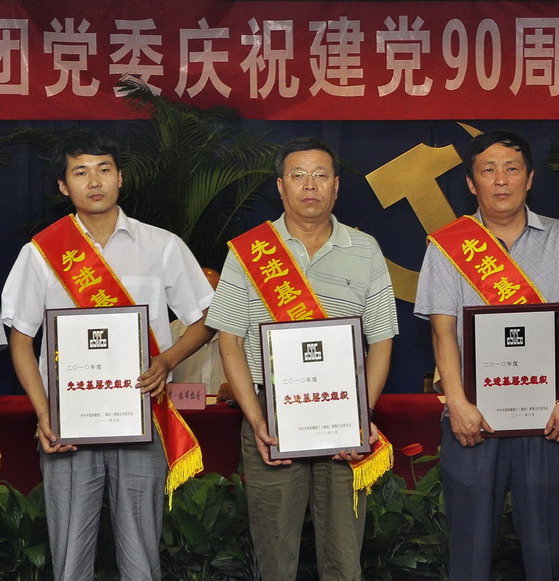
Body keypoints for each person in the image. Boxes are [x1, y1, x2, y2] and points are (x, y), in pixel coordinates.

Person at [1, 129, 215, 581]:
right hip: (67, 425)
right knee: (70, 555)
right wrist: (44, 413)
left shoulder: (162, 246)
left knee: (141, 554)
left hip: (141, 416)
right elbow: (20, 340)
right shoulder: (41, 254)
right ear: (64, 186)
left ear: (121, 178)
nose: (94, 181)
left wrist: (167, 361)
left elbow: (205, 319)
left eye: (104, 169)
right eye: (80, 172)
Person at [206, 137, 398, 580]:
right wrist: (257, 420)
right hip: (271, 420)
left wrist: (361, 415)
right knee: (274, 555)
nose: (309, 185)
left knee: (344, 556)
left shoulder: (365, 248)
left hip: (343, 417)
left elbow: (382, 341)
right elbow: (229, 341)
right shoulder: (249, 251)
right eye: (298, 175)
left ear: (336, 186)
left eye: (320, 175)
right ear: (281, 186)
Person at [414, 130, 559, 581]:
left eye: (512, 169)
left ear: (529, 179)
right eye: (488, 170)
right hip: (472, 418)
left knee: (548, 549)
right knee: (470, 549)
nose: (501, 180)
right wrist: (457, 403)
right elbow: (443, 331)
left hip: (549, 416)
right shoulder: (447, 245)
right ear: (471, 183)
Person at [170, 267, 229, 397]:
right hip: (182, 409)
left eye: (213, 296)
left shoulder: (238, 333)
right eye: (201, 297)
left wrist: (239, 389)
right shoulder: (170, 333)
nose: (207, 304)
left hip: (229, 409)